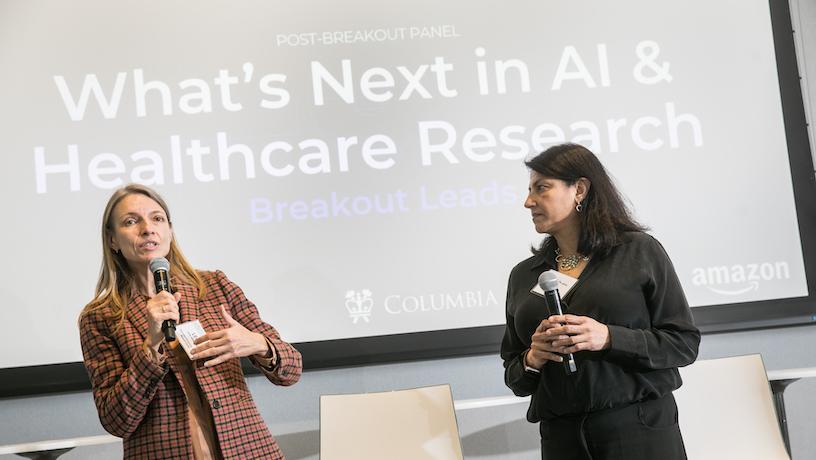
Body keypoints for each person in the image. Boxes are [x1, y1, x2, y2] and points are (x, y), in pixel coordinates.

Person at [501, 143, 700, 460]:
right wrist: (533, 358)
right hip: (561, 438)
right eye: (529, 190)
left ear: (579, 189)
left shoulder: (639, 251)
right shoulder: (524, 275)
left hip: (637, 428)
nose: (528, 202)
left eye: (541, 189)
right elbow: (514, 374)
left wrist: (609, 337)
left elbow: (683, 344)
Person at [79, 184, 302, 459]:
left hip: (247, 451)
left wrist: (257, 343)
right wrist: (150, 347)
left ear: (170, 231)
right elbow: (117, 421)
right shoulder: (101, 317)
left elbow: (291, 370)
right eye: (131, 221)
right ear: (112, 239)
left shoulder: (214, 286)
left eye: (157, 218)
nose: (148, 229)